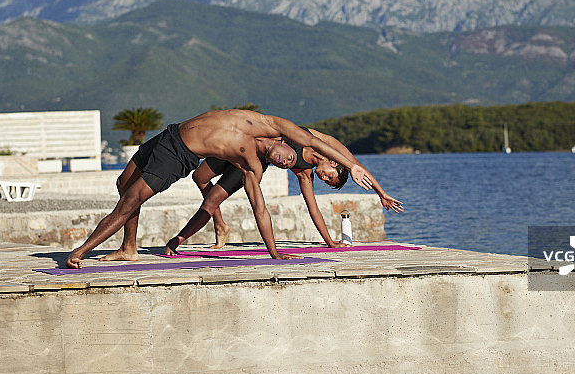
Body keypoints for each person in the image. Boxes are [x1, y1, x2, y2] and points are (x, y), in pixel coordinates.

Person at [64, 109, 374, 268]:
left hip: (179, 156)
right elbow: (316, 141)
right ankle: (128, 248)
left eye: (286, 164)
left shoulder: (251, 166)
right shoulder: (267, 123)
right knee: (123, 183)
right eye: (288, 156)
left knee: (131, 200)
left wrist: (275, 253)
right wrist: (354, 164)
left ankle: (82, 250)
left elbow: (261, 210)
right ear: (284, 142)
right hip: (168, 135)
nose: (285, 161)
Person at [163, 127, 404, 254]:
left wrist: (330, 242)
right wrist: (380, 192)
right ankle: (220, 225)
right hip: (240, 145)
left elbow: (314, 209)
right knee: (200, 176)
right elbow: (356, 164)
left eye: (327, 183)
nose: (324, 178)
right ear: (333, 163)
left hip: (252, 162)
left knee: (213, 200)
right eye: (330, 177)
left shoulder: (304, 173)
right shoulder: (319, 140)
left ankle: (177, 240)